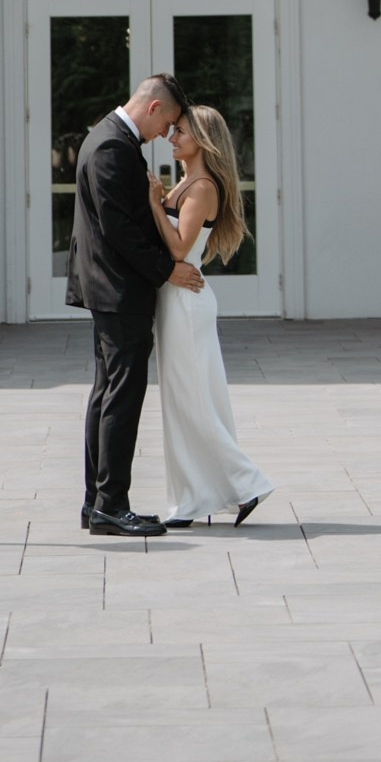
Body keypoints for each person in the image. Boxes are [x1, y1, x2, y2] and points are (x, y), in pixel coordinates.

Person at [64, 71, 204, 537]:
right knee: (120, 396)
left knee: (107, 393)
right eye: (167, 125)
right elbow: (117, 228)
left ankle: (97, 502)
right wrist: (167, 270)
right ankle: (109, 503)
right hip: (118, 289)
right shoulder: (111, 147)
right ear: (154, 108)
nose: (165, 135)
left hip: (111, 288)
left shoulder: (107, 138)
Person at [147, 103, 273, 527]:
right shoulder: (186, 183)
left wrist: (152, 202)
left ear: (202, 138)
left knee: (193, 403)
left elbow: (180, 248)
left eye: (180, 131)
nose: (171, 137)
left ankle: (248, 483)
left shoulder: (201, 187)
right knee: (183, 404)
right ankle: (192, 500)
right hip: (175, 299)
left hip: (186, 303)